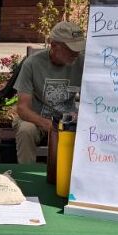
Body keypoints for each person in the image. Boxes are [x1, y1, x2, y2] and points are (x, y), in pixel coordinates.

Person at [13, 21, 85, 164]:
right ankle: (27, 173)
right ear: (54, 45)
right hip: (35, 119)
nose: (76, 53)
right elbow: (22, 108)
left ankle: (75, 177)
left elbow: (91, 101)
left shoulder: (83, 62)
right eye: (71, 48)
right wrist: (49, 124)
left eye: (79, 48)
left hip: (67, 121)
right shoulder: (32, 63)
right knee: (26, 130)